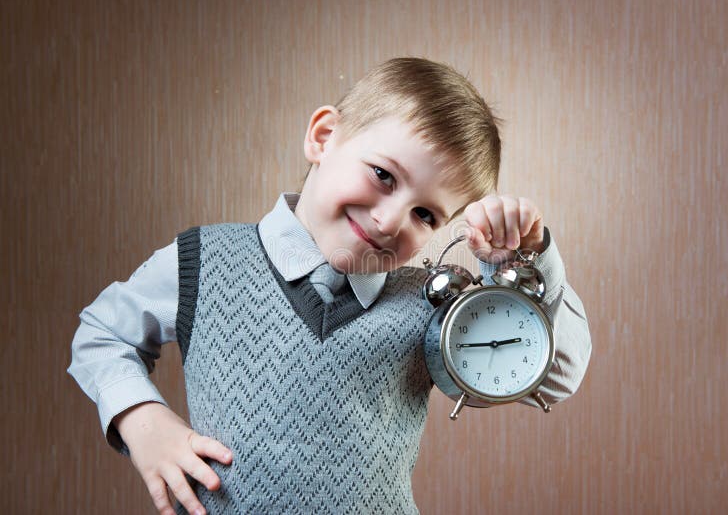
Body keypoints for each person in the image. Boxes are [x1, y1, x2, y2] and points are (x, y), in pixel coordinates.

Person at [68, 57, 591, 515]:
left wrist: (530, 258)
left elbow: (558, 374)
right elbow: (101, 333)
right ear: (323, 137)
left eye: (426, 214)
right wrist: (143, 422)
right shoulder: (204, 260)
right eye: (384, 176)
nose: (390, 220)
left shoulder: (436, 309)